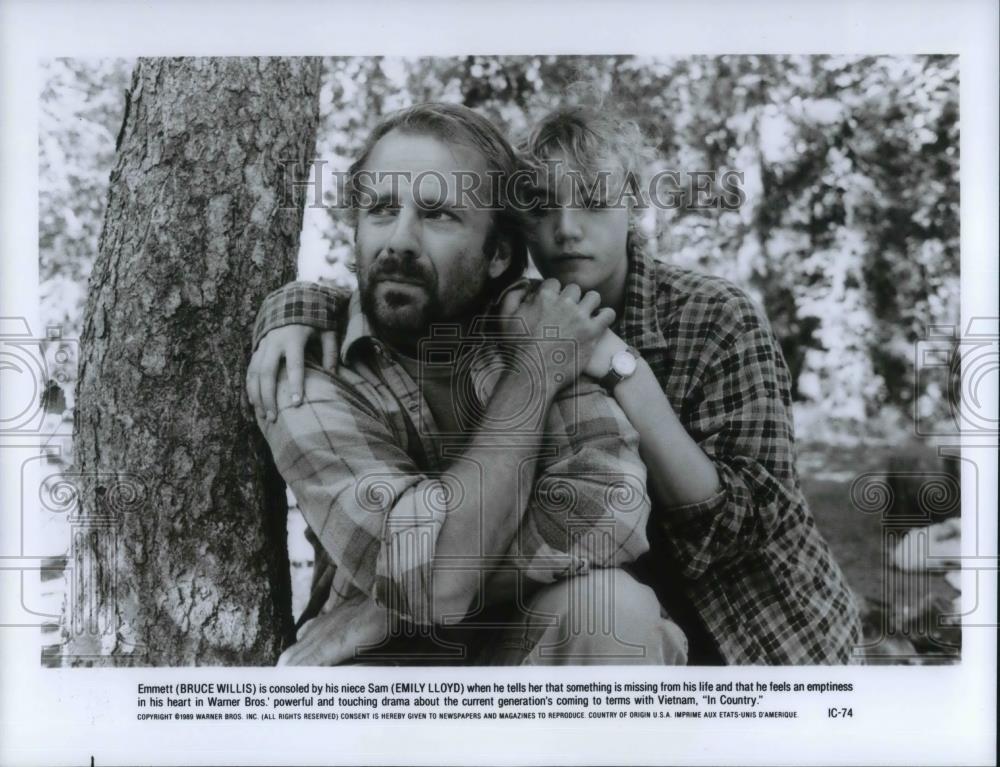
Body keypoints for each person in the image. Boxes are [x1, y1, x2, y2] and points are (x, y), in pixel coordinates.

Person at [250, 103, 864, 665]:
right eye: (542, 206)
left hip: (756, 631)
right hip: (580, 625)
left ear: (633, 208)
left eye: (594, 201)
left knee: (616, 614)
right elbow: (386, 287)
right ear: (518, 232)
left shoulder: (710, 317)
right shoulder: (514, 321)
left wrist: (616, 366)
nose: (567, 229)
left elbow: (712, 528)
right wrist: (293, 305)